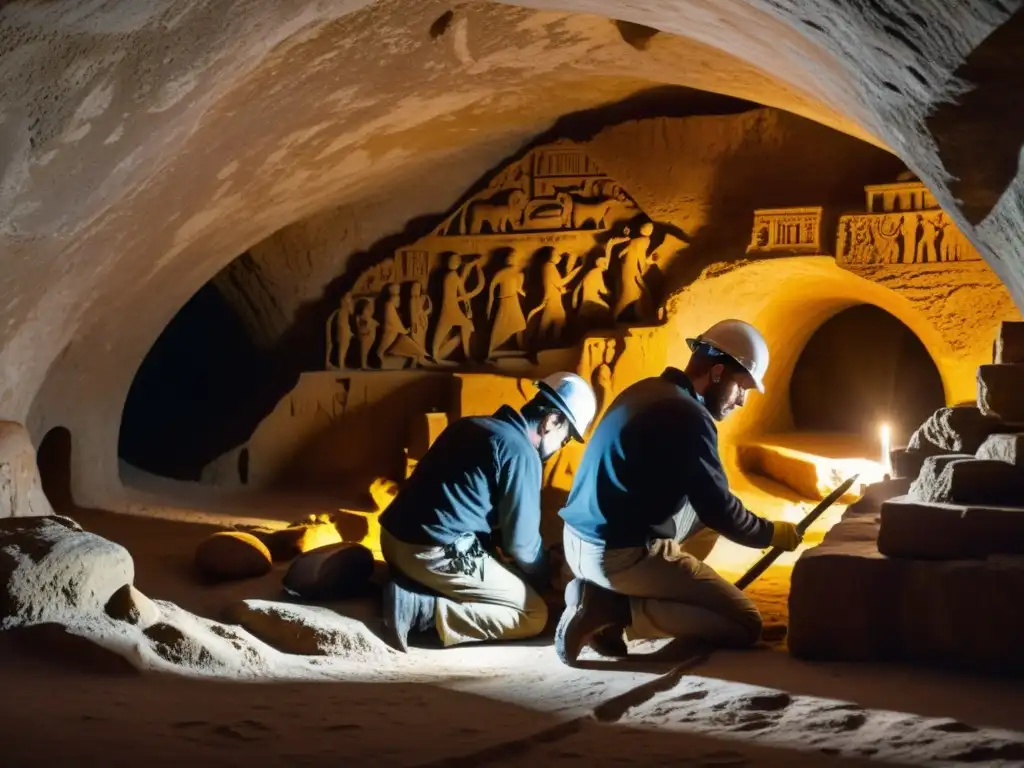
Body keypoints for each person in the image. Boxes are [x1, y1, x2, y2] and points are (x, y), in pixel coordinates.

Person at [554, 319, 804, 666]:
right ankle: (614, 609)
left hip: (579, 541)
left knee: (704, 508)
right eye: (741, 387)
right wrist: (769, 533)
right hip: (616, 555)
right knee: (745, 623)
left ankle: (648, 590)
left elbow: (710, 503)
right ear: (718, 372)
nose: (742, 401)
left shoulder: (648, 390)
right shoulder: (687, 415)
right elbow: (720, 509)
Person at [379, 372, 598, 652]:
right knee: (532, 613)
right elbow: (521, 545)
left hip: (392, 539)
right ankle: (421, 610)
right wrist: (543, 577)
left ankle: (413, 587)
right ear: (551, 422)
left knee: (501, 573)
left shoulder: (472, 425)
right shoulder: (521, 453)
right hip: (428, 553)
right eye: (564, 439)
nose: (559, 448)